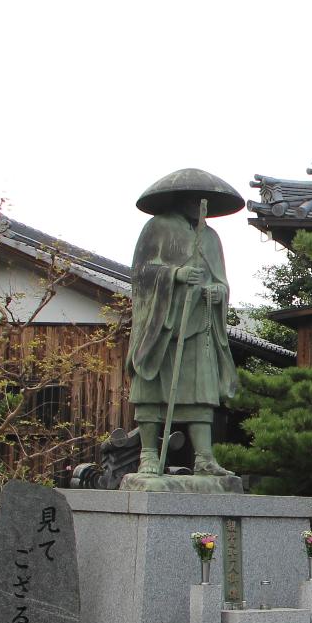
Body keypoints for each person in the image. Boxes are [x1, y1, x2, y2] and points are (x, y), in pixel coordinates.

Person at [126, 181, 240, 478]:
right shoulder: (157, 227)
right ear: (181, 198)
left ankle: (204, 457)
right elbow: (141, 273)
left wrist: (217, 293)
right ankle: (149, 455)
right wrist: (175, 274)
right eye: (195, 199)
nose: (200, 205)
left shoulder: (211, 238)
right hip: (161, 325)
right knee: (151, 389)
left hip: (198, 323)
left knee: (201, 391)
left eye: (204, 201)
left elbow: (222, 282)